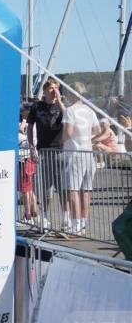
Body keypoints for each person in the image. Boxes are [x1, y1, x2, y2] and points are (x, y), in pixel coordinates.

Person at [61, 82, 102, 236]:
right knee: (86, 190)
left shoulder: (70, 111)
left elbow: (69, 131)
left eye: (68, 93)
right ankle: (83, 224)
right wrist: (88, 139)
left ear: (73, 94)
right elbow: (98, 130)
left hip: (74, 153)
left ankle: (76, 224)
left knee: (73, 190)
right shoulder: (90, 111)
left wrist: (62, 141)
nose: (67, 96)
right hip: (88, 154)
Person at [26, 79, 66, 229]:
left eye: (56, 88)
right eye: (51, 89)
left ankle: (66, 217)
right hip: (43, 150)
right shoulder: (37, 106)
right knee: (44, 187)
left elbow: (69, 119)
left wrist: (60, 101)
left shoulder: (60, 106)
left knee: (63, 187)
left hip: (60, 151)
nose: (54, 91)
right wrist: (31, 146)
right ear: (45, 90)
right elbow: (30, 127)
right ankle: (44, 216)